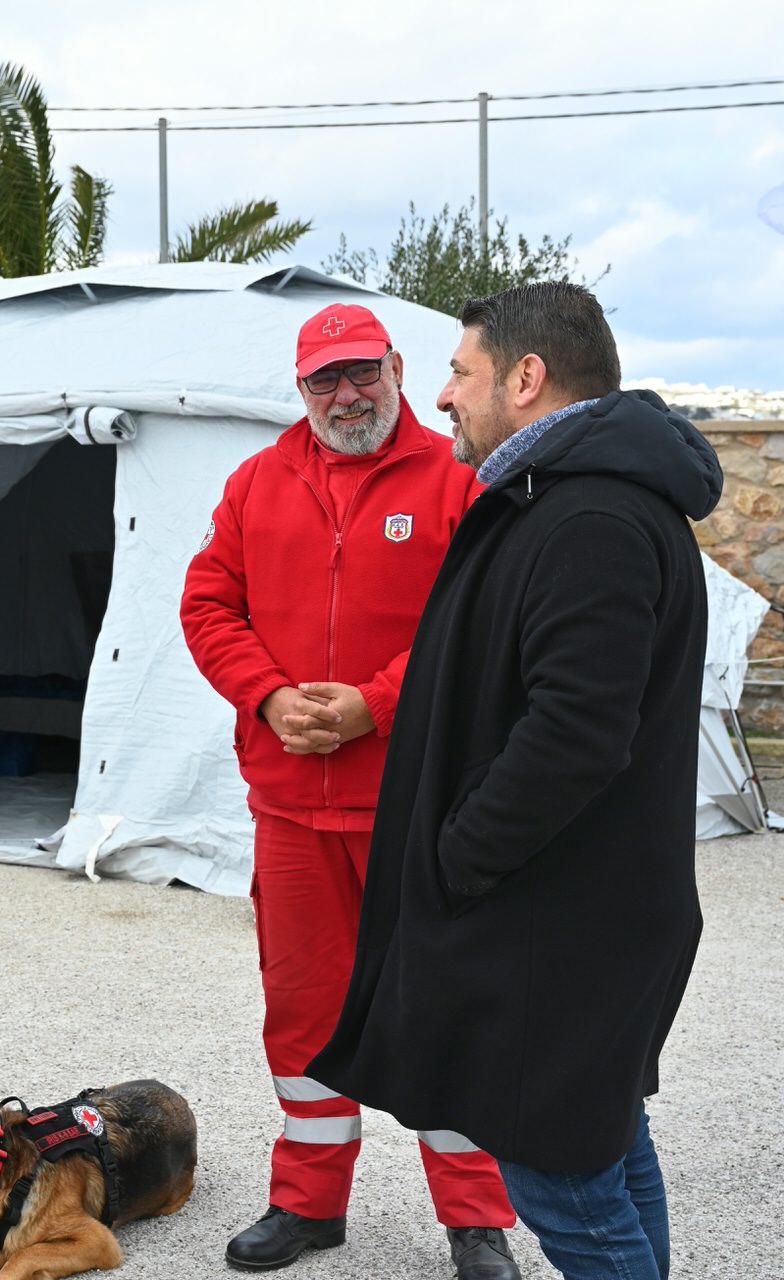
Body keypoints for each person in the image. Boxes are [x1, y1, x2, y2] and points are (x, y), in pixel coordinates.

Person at [309, 283, 721, 1280]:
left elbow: (575, 733)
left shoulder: (592, 517)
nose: (443, 395)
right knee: (606, 1146)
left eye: (460, 371)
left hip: (563, 920)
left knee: (565, 1186)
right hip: (575, 910)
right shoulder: (564, 498)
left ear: (527, 377)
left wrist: (457, 853)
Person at [181, 302, 520, 1277]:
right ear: (300, 388)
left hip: (418, 801)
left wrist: (375, 704)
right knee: (302, 1009)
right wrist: (269, 693)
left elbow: (484, 620)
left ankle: (475, 1216)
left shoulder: (459, 475)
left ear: (397, 367)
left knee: (441, 1002)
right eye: (324, 379)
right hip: (291, 803)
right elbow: (207, 603)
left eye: (361, 372)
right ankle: (309, 1200)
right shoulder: (257, 481)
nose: (346, 394)